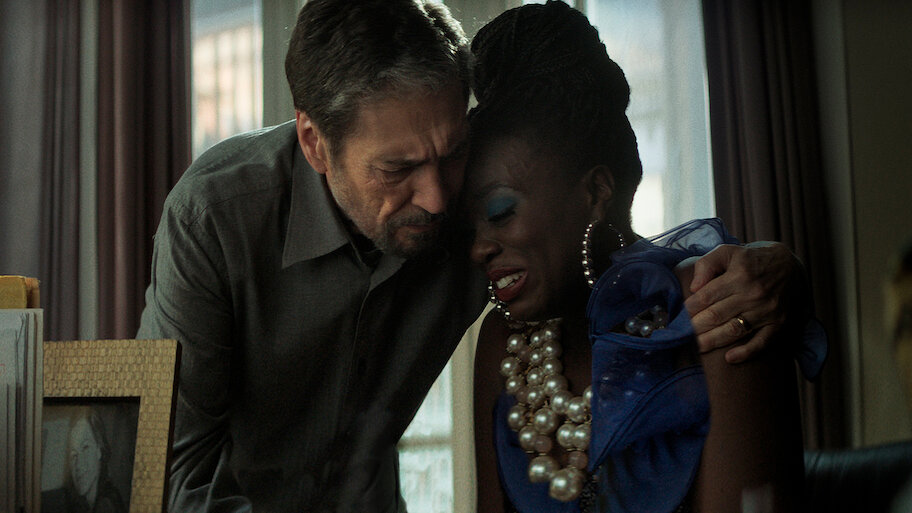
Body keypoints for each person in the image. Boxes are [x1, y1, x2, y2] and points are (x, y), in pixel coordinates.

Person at [137, 1, 814, 511]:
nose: (438, 201)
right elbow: (170, 472)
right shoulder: (217, 216)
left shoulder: (476, 229)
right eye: (398, 168)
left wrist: (777, 266)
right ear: (315, 143)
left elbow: (593, 238)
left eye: (453, 152)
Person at [465, 3, 824, 512]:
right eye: (468, 225)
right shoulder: (502, 343)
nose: (478, 246)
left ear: (595, 192)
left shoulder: (720, 303)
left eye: (500, 211)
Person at [61, 408, 127, 513]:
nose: (79, 464)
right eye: (73, 455)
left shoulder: (107, 505)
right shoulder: (85, 504)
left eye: (85, 447)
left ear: (99, 449)